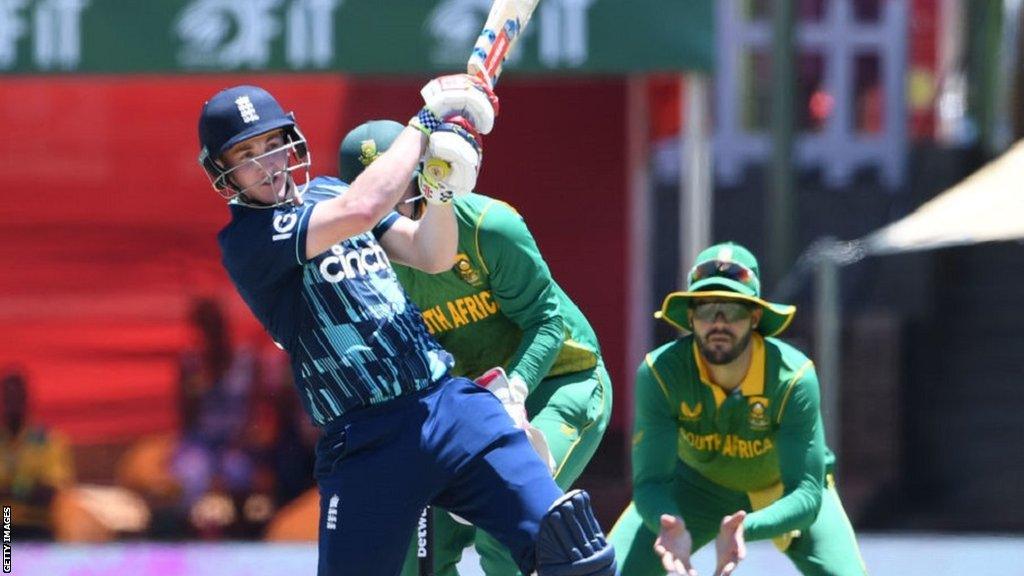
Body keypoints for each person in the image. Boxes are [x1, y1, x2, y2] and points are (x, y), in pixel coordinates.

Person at [196, 78, 615, 576]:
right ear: (223, 172)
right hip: (366, 439)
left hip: (448, 407)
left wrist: (438, 188)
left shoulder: (329, 189)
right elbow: (362, 208)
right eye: (247, 154)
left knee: (572, 550)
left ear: (292, 141)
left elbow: (431, 254)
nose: (267, 163)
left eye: (273, 143)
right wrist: (425, 122)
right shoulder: (249, 241)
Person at [337, 120, 614, 576]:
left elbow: (547, 322)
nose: (387, 208)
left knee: (508, 525)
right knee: (415, 553)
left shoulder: (489, 227)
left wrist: (515, 392)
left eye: (396, 189)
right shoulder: (360, 263)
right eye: (373, 194)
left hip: (559, 380)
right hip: (465, 407)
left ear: (425, 172)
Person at [608, 242, 867, 576]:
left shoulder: (793, 378)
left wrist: (750, 526)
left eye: (732, 310)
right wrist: (668, 523)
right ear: (690, 317)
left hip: (779, 493)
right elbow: (650, 484)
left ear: (754, 316)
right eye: (705, 310)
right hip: (694, 489)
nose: (718, 324)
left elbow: (806, 494)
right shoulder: (660, 373)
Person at [0, 368, 75, 539]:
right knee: (7, 555)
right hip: (4, 519)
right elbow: (37, 490)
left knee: (20, 556)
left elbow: (51, 491)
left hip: (36, 522)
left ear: (27, 400)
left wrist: (11, 490)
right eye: (7, 399)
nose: (12, 405)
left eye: (16, 398)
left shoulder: (48, 440)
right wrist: (27, 488)